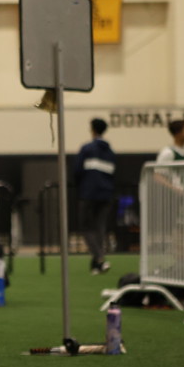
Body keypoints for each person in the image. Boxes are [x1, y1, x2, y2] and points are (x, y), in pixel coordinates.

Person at [73, 118, 116, 275]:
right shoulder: (110, 152)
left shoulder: (87, 148)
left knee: (86, 227)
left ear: (92, 130)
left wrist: (80, 187)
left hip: (88, 193)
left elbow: (77, 170)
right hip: (106, 194)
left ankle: (100, 258)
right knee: (100, 228)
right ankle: (96, 266)